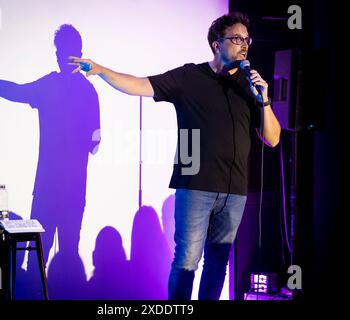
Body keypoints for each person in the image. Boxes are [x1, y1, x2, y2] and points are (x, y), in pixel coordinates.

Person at [69, 12, 281, 300]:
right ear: (217, 44)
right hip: (195, 186)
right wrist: (102, 70)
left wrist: (264, 99)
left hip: (235, 192)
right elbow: (141, 84)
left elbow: (272, 138)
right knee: (186, 263)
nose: (244, 45)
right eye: (236, 38)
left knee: (218, 263)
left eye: (247, 40)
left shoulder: (249, 86)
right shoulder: (190, 77)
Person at [0, 25, 100, 297]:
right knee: (67, 258)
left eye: (61, 51)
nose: (58, 56)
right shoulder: (87, 92)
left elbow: (15, 91)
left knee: (38, 259)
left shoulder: (53, 86)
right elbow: (95, 144)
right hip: (71, 191)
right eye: (57, 51)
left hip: (48, 189)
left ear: (75, 53)